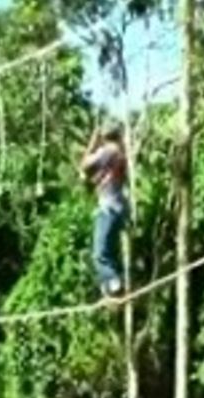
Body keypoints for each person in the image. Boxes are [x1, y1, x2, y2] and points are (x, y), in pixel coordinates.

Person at [79, 122, 129, 299]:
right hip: (118, 208)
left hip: (109, 208)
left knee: (99, 255)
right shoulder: (118, 153)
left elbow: (84, 165)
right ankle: (110, 288)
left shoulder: (109, 151)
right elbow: (90, 177)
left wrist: (92, 144)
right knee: (110, 253)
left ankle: (114, 283)